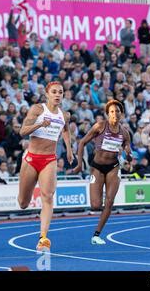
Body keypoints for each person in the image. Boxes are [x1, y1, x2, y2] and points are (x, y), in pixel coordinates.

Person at [17, 81, 74, 251]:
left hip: (49, 159)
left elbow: (65, 130)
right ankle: (24, 201)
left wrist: (69, 150)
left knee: (48, 197)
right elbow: (22, 131)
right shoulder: (38, 109)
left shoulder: (65, 115)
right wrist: (40, 124)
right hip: (31, 158)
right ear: (47, 94)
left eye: (60, 92)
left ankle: (43, 238)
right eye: (54, 92)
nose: (57, 95)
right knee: (23, 203)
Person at [73, 100, 132, 245]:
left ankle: (96, 235)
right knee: (95, 205)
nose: (115, 114)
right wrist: (79, 164)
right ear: (107, 114)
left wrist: (128, 155)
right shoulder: (100, 126)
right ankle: (101, 193)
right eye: (112, 112)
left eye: (117, 111)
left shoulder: (125, 133)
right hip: (97, 168)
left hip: (113, 167)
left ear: (121, 114)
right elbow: (82, 143)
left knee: (110, 202)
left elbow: (129, 158)